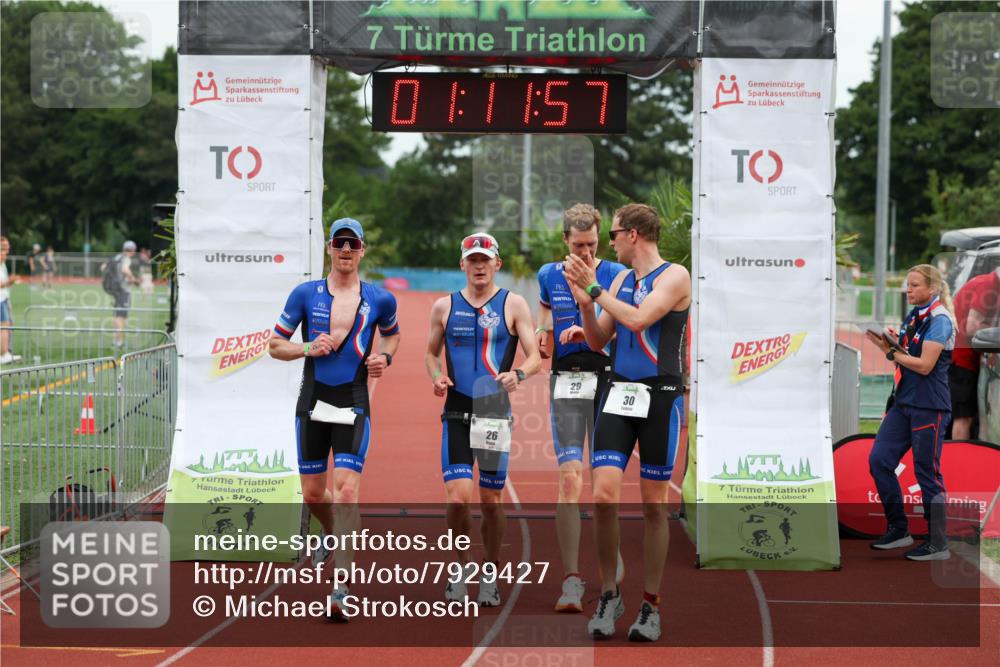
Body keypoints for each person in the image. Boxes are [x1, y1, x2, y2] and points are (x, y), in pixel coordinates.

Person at [562, 203, 691, 642]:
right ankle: (610, 593)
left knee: (654, 507)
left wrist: (593, 288)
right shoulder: (618, 279)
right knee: (602, 495)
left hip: (661, 396)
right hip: (619, 390)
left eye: (613, 234)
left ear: (633, 234)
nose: (609, 242)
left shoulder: (675, 276)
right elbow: (601, 338)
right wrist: (584, 307)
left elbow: (636, 319)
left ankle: (650, 605)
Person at [269, 218, 400, 621]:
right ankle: (329, 531)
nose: (346, 250)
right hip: (313, 400)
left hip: (354, 400)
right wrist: (307, 346)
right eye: (340, 243)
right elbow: (275, 346)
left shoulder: (380, 300)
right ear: (330, 247)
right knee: (313, 494)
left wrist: (385, 357)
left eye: (353, 244)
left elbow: (392, 335)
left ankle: (340, 588)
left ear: (362, 250)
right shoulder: (306, 294)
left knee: (346, 492)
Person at [425, 232, 541, 607]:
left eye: (485, 260)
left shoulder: (514, 304)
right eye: (472, 259)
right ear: (462, 264)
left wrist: (519, 374)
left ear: (497, 265)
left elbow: (535, 356)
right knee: (457, 499)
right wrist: (436, 376)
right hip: (457, 410)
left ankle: (490, 572)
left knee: (491, 499)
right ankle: (460, 570)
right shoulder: (444, 306)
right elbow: (430, 354)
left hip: (493, 412)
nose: (478, 266)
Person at [535, 203, 626, 613]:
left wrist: (591, 325)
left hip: (608, 377)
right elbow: (546, 307)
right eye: (578, 246)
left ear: (600, 237)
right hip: (567, 379)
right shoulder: (548, 275)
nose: (586, 253)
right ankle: (571, 578)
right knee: (570, 477)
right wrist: (542, 329)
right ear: (564, 242)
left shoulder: (614, 275)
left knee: (604, 481)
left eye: (591, 244)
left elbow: (620, 323)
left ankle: (611, 555)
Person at [866, 264, 956, 561]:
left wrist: (893, 352)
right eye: (908, 284)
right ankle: (898, 528)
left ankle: (938, 541)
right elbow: (904, 359)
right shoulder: (915, 316)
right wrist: (889, 344)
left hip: (929, 406)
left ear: (932, 288)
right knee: (879, 460)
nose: (909, 289)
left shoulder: (940, 319)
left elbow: (924, 365)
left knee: (926, 472)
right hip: (904, 403)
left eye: (915, 285)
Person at [949, 267, 1000, 439]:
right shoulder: (989, 286)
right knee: (964, 418)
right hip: (962, 360)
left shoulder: (985, 281)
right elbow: (972, 326)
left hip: (961, 358)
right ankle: (959, 463)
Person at [103, 241, 140, 349]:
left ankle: (115, 340)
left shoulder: (116, 256)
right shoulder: (126, 258)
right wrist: (134, 280)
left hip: (114, 290)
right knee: (121, 317)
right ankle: (119, 342)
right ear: (132, 250)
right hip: (124, 290)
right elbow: (125, 270)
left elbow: (103, 267)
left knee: (116, 315)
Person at [0, 236, 21, 364]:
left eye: (8, 248)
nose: (7, 251)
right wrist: (10, 281)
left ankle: (6, 351)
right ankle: (4, 354)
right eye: (4, 249)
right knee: (4, 325)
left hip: (4, 298)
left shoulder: (3, 264)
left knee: (9, 324)